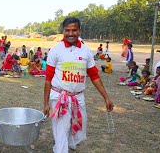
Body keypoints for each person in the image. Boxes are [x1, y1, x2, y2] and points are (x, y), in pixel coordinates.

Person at [43, 17, 113, 153]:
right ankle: (60, 148)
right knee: (61, 131)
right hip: (59, 96)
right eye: (67, 30)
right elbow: (48, 79)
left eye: (74, 30)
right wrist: (45, 103)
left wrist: (106, 97)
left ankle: (67, 144)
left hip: (78, 97)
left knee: (79, 129)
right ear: (63, 31)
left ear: (79, 31)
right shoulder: (56, 50)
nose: (70, 33)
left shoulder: (86, 51)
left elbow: (94, 76)